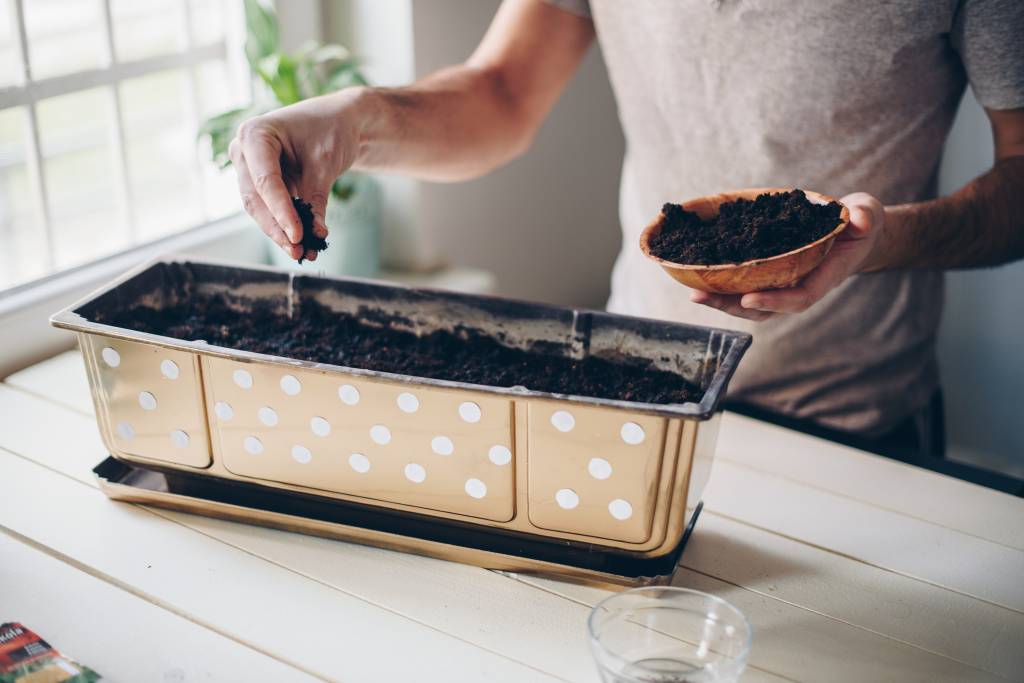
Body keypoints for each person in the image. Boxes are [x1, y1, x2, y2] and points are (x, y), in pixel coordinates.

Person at [228, 0, 1023, 460]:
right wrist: (351, 120)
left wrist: (881, 242)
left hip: (855, 427)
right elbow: (501, 92)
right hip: (639, 390)